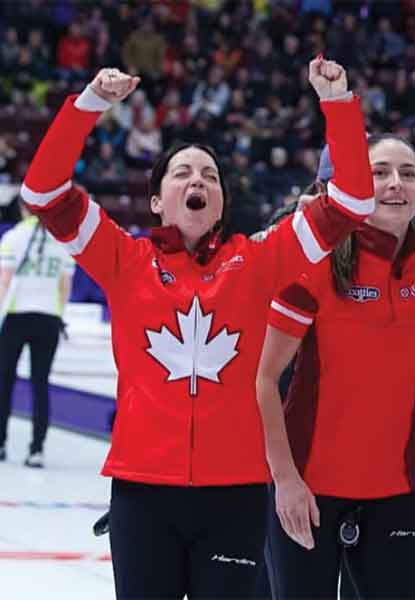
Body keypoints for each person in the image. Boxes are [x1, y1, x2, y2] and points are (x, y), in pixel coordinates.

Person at [19, 59, 374, 599]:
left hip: (234, 495)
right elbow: (43, 193)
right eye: (182, 172)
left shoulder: (258, 260)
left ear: (221, 203)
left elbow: (351, 201)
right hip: (143, 491)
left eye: (209, 176)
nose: (198, 181)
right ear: (158, 199)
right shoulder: (122, 259)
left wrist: (337, 102)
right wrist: (89, 103)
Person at [256, 133, 415, 598]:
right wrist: (285, 481)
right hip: (308, 490)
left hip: (391, 492)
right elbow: (264, 378)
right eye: (380, 173)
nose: (395, 184)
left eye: (408, 173)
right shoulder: (311, 265)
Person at [0, 200, 74, 467]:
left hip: (17, 316)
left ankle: (1, 443)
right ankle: (36, 450)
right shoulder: (63, 242)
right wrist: (59, 315)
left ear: (23, 209)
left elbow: (4, 281)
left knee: (4, 381)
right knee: (40, 384)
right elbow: (65, 285)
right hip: (48, 319)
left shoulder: (13, 236)